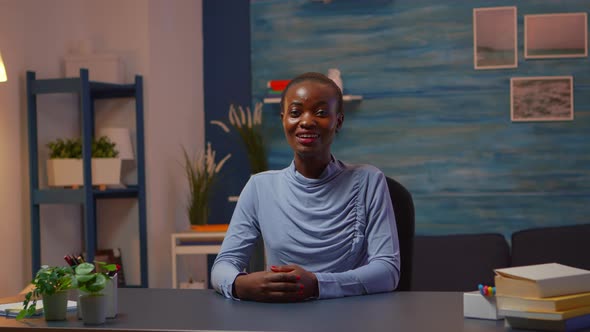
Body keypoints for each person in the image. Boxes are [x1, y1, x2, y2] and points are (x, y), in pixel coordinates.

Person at [211, 72, 400, 302]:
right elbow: (223, 266)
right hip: (281, 318)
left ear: (338, 121)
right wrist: (239, 284)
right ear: (283, 120)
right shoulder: (260, 187)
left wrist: (317, 285)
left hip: (351, 317)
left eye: (321, 113)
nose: (306, 121)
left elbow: (388, 271)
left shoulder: (369, 180)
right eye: (295, 112)